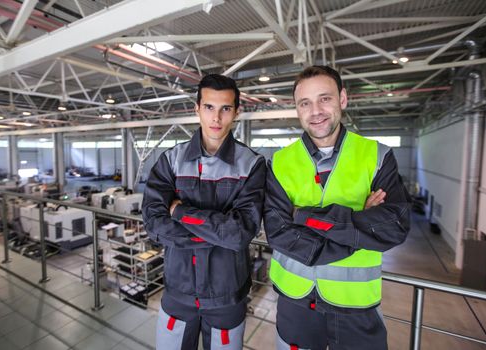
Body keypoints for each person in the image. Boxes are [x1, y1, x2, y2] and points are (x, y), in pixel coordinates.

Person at [264, 66, 411, 350]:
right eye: (305, 103)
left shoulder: (377, 156)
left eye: (325, 99)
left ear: (342, 99)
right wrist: (358, 224)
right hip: (295, 304)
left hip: (356, 305)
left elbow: (394, 226)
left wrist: (302, 216)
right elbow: (278, 232)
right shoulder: (279, 162)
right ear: (297, 109)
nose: (315, 111)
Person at [142, 74, 266, 350]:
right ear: (196, 109)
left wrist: (180, 212)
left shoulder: (252, 165)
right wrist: (215, 235)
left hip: (227, 297)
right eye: (209, 107)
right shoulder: (170, 160)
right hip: (178, 292)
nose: (216, 118)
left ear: (237, 112)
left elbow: (239, 233)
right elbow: (153, 222)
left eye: (225, 108)